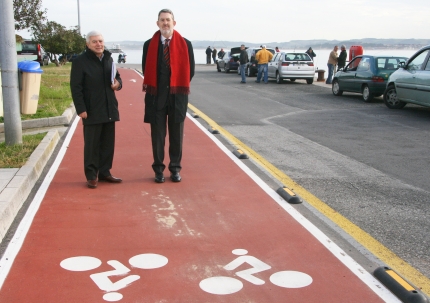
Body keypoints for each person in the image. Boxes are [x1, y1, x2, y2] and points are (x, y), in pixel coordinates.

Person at [141, 8, 195, 183]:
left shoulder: (186, 44)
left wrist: (175, 86)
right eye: (162, 20)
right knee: (157, 135)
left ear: (174, 22)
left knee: (176, 135)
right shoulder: (149, 44)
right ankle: (158, 169)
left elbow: (190, 71)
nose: (165, 23)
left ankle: (175, 168)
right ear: (157, 23)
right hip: (156, 97)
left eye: (168, 20)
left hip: (177, 97)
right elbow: (145, 69)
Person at [70, 30, 123, 189]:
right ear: (88, 44)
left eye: (100, 41)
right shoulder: (80, 61)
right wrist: (81, 109)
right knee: (92, 145)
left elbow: (117, 77)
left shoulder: (108, 58)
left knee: (108, 144)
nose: (98, 44)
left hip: (109, 108)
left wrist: (118, 84)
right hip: (91, 109)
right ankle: (92, 175)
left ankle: (105, 172)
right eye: (94, 42)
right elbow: (76, 87)